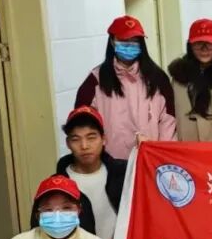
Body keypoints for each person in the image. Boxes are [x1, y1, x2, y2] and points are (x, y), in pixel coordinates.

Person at [75, 16, 176, 160]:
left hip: (150, 160)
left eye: (134, 41)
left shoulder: (158, 78)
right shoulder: (96, 80)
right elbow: (83, 125)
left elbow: (168, 121)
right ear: (112, 41)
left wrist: (162, 156)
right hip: (110, 163)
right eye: (123, 41)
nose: (129, 45)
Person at [54, 106, 127, 239]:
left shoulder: (123, 173)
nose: (84, 146)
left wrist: (147, 149)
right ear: (68, 143)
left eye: (91, 137)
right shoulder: (56, 186)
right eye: (76, 139)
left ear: (103, 139)